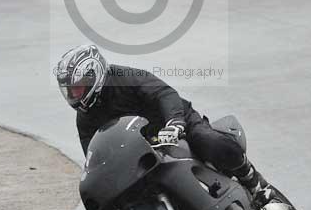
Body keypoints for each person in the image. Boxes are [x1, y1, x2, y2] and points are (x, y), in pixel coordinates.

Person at [56, 43, 269, 199]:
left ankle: (256, 184)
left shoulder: (125, 78)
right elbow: (94, 153)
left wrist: (175, 122)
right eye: (70, 91)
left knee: (206, 140)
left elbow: (163, 94)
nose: (74, 95)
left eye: (77, 88)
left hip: (174, 124)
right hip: (141, 149)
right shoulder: (85, 118)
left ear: (93, 76)